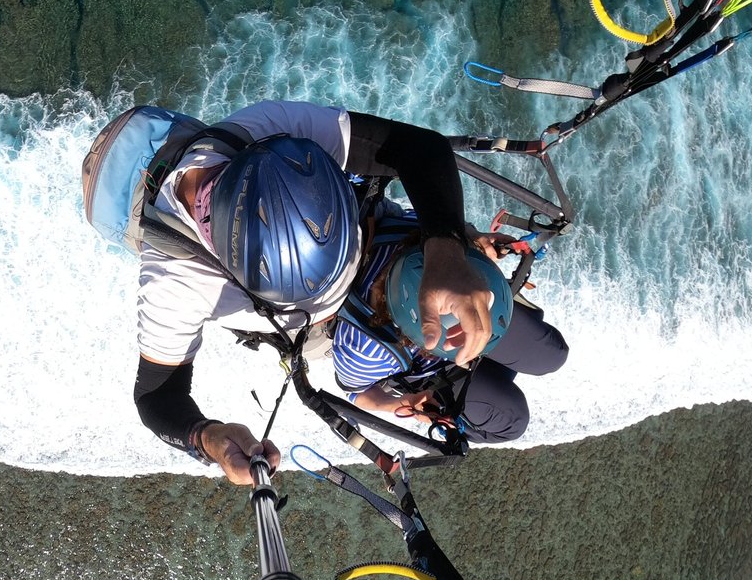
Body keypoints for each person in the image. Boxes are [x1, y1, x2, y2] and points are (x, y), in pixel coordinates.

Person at [131, 100, 500, 485]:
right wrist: (208, 438)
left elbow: (419, 148)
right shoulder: (174, 284)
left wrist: (447, 246)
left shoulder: (268, 127)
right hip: (324, 330)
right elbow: (156, 397)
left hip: (378, 245)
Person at [330, 216, 569, 444]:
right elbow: (357, 392)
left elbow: (447, 224)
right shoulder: (364, 349)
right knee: (513, 421)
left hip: (468, 290)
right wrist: (401, 403)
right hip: (437, 375)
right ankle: (478, 390)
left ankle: (495, 364)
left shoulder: (421, 230)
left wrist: (474, 240)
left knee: (554, 354)